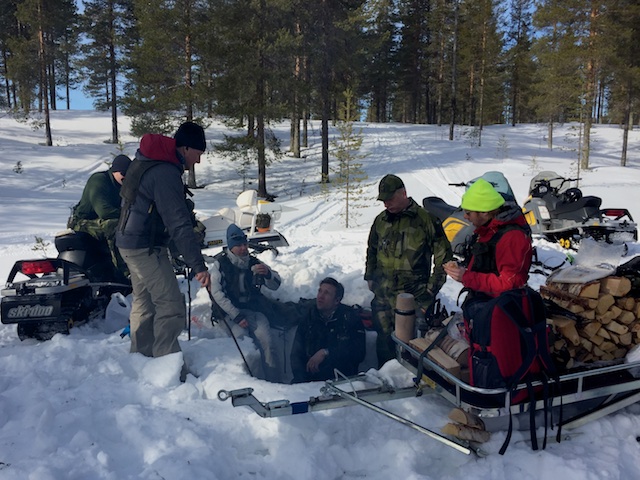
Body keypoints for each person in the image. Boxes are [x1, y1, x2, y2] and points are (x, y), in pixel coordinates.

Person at [116, 121, 211, 359]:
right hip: (143, 246)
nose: (198, 161)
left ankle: (141, 357)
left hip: (132, 241)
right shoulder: (165, 173)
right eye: (198, 154)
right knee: (170, 305)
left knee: (145, 301)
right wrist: (198, 265)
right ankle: (166, 363)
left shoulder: (151, 162)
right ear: (186, 148)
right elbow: (178, 222)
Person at [365, 174, 453, 367]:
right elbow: (372, 249)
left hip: (413, 299)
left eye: (390, 198)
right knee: (384, 346)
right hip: (383, 298)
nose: (386, 203)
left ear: (403, 193)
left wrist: (428, 293)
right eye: (383, 200)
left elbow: (444, 259)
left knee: (411, 350)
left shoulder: (426, 220)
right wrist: (370, 277)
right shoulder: (381, 221)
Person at [209, 224, 280, 382]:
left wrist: (268, 274)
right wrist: (236, 315)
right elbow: (217, 294)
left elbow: (276, 284)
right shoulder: (220, 265)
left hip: (253, 310)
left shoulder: (254, 262)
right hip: (229, 314)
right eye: (238, 245)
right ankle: (252, 380)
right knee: (243, 342)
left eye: (244, 244)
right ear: (230, 247)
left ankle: (273, 380)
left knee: (267, 340)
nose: (243, 248)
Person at [443, 178, 533, 297]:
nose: (465, 217)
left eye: (469, 213)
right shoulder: (487, 230)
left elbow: (510, 285)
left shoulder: (512, 238)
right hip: (484, 303)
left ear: (484, 212)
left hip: (499, 306)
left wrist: (467, 277)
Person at [290, 277, 366, 383]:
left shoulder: (349, 318)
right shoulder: (309, 317)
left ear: (337, 300)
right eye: (320, 291)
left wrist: (327, 352)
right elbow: (296, 353)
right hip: (310, 381)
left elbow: (358, 352)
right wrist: (301, 378)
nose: (320, 296)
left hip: (341, 380)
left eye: (326, 293)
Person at [68, 154, 132, 278]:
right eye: (123, 173)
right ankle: (123, 270)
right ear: (114, 171)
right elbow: (104, 211)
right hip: (83, 223)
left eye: (129, 174)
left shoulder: (123, 185)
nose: (126, 177)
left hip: (100, 221)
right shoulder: (99, 180)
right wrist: (129, 215)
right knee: (114, 225)